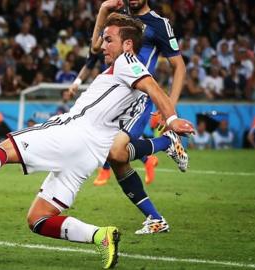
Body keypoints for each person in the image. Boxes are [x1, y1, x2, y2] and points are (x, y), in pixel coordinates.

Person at [0, 14, 194, 269]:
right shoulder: (125, 72)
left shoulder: (127, 61)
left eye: (108, 39)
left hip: (72, 133)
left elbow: (152, 86)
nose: (102, 45)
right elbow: (149, 89)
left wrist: (171, 120)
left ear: (127, 44)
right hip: (89, 155)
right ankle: (100, 235)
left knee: (3, 148)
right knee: (38, 218)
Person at [68, 0, 187, 234]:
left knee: (115, 152)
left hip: (137, 97)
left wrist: (169, 108)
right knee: (117, 160)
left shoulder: (160, 24)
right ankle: (155, 218)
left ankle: (167, 142)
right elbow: (94, 48)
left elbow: (179, 66)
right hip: (112, 96)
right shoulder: (118, 19)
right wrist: (103, 10)